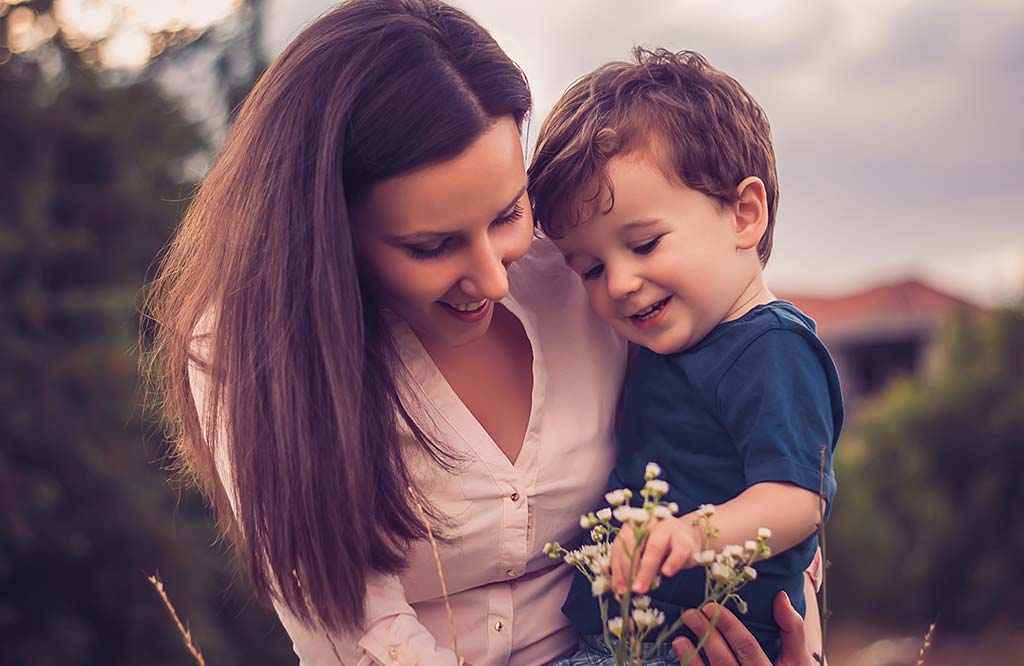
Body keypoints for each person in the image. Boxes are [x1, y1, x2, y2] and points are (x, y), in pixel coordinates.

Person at [143, 1, 826, 664]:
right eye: (432, 245)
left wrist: (802, 648)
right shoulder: (248, 356)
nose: (495, 281)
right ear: (330, 236)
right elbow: (354, 631)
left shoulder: (586, 266)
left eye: (508, 214)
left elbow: (763, 473)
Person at [527, 49, 844, 664]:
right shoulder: (667, 341)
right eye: (590, 269)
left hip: (704, 641)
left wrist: (689, 535)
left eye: (644, 243)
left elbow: (796, 499)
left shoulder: (773, 347)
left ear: (744, 215)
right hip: (630, 636)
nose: (618, 283)